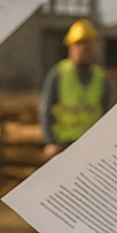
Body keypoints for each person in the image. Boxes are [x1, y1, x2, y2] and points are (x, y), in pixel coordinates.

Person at [39, 19, 107, 159]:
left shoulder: (100, 77)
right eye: (78, 45)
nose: (82, 50)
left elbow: (105, 111)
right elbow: (45, 109)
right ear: (71, 48)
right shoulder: (58, 73)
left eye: (86, 45)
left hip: (90, 144)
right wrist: (50, 142)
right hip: (62, 144)